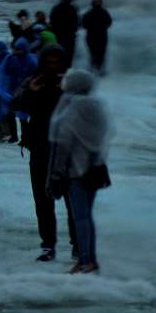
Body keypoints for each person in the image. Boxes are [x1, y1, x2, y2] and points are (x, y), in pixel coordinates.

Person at [10, 43, 77, 262]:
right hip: (40, 150)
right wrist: (32, 91)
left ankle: (78, 245)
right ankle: (48, 246)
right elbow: (15, 104)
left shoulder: (72, 81)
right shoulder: (33, 81)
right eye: (48, 61)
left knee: (72, 201)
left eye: (56, 61)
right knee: (42, 201)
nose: (52, 65)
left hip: (68, 150)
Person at [47, 69, 111, 275]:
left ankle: (85, 261)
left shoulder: (71, 107)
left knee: (80, 218)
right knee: (87, 217)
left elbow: (63, 143)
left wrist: (56, 173)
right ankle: (89, 259)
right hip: (95, 169)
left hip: (75, 171)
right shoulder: (97, 105)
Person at [0, 38, 38, 140]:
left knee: (23, 116)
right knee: (10, 112)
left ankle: (25, 138)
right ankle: (14, 136)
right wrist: (5, 90)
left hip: (25, 91)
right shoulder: (10, 58)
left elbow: (35, 75)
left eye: (19, 49)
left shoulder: (31, 60)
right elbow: (4, 74)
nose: (17, 51)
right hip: (13, 89)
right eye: (16, 49)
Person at [82, 0, 113, 74]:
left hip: (96, 36)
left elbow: (84, 24)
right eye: (97, 2)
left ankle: (97, 68)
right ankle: (96, 68)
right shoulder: (101, 12)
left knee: (97, 53)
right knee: (96, 52)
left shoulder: (91, 13)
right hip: (97, 36)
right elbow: (109, 22)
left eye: (98, 2)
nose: (98, 4)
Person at [0, 39, 14, 141]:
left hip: (7, 90)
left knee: (5, 111)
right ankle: (0, 134)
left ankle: (7, 134)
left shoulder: (9, 59)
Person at [49, 0, 80, 65]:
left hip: (59, 34)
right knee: (69, 52)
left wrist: (54, 31)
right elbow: (76, 21)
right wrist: (74, 30)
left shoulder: (56, 8)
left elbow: (52, 20)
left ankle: (60, 65)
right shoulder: (72, 8)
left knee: (60, 51)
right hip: (69, 34)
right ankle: (67, 66)